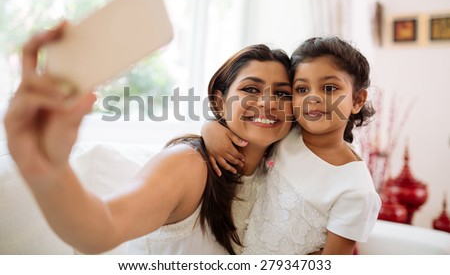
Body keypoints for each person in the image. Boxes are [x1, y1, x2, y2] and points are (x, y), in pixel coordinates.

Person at [3, 22, 293, 254]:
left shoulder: (284, 170)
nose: (268, 103)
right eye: (251, 90)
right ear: (219, 101)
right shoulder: (189, 164)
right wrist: (48, 169)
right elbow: (101, 230)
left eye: (282, 93)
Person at [202, 36, 382, 254]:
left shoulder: (357, 191)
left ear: (357, 100)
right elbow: (241, 123)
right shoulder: (286, 134)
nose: (313, 98)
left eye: (329, 88)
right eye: (302, 89)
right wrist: (210, 130)